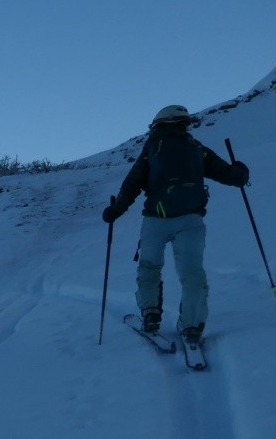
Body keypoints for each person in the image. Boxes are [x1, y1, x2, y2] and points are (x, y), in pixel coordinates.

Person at [102, 104, 249, 345]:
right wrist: (241, 173)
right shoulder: (196, 149)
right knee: (192, 273)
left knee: (149, 267)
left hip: (155, 221)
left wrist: (115, 210)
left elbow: (132, 184)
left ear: (159, 124)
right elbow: (228, 174)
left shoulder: (151, 149)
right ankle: (192, 325)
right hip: (191, 220)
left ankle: (150, 314)